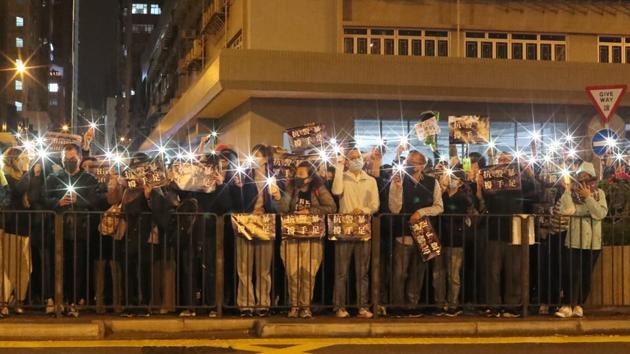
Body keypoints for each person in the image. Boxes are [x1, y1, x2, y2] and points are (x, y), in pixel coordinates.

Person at [45, 143, 101, 317]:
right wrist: (57, 203)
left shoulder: (89, 179)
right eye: (65, 159)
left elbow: (95, 201)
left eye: (72, 159)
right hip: (57, 230)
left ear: (79, 159)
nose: (69, 162)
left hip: (81, 230)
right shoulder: (54, 178)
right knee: (56, 265)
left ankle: (74, 301)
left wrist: (78, 200)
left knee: (77, 267)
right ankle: (55, 300)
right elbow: (43, 198)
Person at [277, 161, 337, 318]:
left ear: (309, 178)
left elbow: (331, 207)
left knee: (308, 272)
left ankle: (306, 306)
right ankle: (294, 305)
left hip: (312, 237)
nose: (297, 176)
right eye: (296, 173)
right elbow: (282, 208)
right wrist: (279, 197)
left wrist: (310, 211)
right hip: (292, 236)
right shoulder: (291, 187)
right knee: (292, 272)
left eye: (301, 175)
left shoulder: (318, 189)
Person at [482, 151, 538, 318]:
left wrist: (528, 171)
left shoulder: (522, 181)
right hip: (495, 229)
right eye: (500, 159)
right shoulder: (492, 180)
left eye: (507, 160)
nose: (503, 163)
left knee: (514, 271)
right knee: (493, 271)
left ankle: (512, 306)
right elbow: (485, 200)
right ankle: (493, 306)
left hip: (515, 229)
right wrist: (481, 185)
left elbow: (537, 193)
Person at [387, 150, 443, 314]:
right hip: (403, 233)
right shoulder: (399, 179)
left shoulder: (433, 183)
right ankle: (397, 305)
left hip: (423, 233)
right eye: (408, 161)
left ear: (422, 165)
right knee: (400, 272)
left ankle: (412, 304)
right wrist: (397, 189)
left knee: (418, 272)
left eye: (415, 162)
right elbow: (394, 208)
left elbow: (439, 206)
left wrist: (421, 212)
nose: (410, 164)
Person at [233, 144, 282, 317]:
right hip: (246, 222)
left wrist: (277, 197)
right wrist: (237, 187)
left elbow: (279, 205)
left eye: (258, 155)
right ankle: (246, 304)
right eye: (253, 154)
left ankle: (263, 303)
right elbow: (236, 202)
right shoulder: (244, 175)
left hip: (265, 222)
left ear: (266, 158)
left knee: (263, 268)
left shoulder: (274, 176)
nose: (254, 158)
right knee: (244, 266)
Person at [331, 147, 379, 319]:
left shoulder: (370, 181)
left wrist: (364, 210)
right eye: (352, 158)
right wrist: (338, 166)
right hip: (345, 228)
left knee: (362, 270)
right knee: (341, 270)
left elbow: (375, 205)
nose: (356, 160)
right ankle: (340, 306)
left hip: (363, 227)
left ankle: (362, 306)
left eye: (358, 157)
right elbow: (336, 191)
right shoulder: (342, 177)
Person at [555, 162, 607, 318]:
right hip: (574, 240)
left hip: (593, 243)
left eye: (586, 178)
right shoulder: (570, 194)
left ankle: (579, 304)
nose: (583, 181)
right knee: (570, 273)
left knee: (585, 275)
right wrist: (567, 190)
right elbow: (568, 211)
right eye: (580, 178)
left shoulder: (600, 194)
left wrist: (588, 198)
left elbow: (600, 213)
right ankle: (567, 305)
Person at [1, 147, 43, 316]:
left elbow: (32, 196)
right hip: (12, 227)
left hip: (26, 227)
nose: (25, 160)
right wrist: (28, 172)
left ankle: (20, 299)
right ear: (13, 160)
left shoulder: (26, 177)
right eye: (22, 158)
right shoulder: (6, 176)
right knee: (10, 266)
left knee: (26, 267)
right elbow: (17, 191)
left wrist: (35, 176)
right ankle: (4, 300)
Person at [434, 168, 472, 317]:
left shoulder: (463, 197)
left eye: (454, 178)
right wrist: (441, 190)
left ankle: (453, 304)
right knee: (438, 273)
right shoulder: (441, 196)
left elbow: (465, 213)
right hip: (440, 237)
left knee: (453, 274)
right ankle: (439, 303)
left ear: (460, 182)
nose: (451, 180)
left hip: (456, 239)